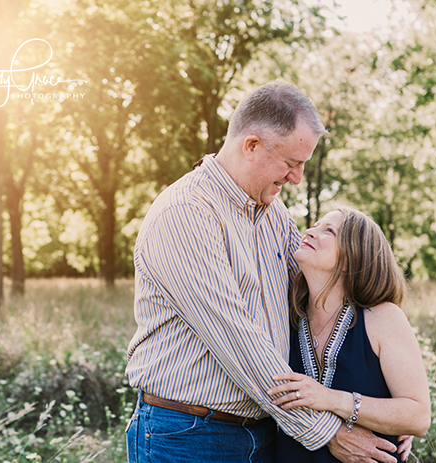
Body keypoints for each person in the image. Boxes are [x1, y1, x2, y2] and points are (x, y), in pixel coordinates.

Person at [125, 81, 410, 463]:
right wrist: (329, 432)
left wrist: (386, 410)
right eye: (291, 163)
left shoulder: (273, 215)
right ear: (252, 145)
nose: (297, 178)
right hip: (188, 435)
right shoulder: (186, 213)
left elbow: (323, 295)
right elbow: (239, 341)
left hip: (267, 434)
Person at [267, 207, 431, 462]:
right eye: (315, 224)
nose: (310, 231)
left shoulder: (382, 318)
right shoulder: (283, 315)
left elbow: (418, 417)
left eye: (328, 230)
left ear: (352, 258)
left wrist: (331, 399)